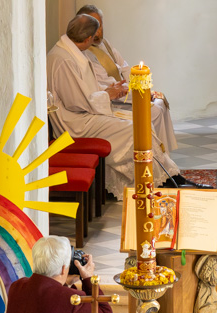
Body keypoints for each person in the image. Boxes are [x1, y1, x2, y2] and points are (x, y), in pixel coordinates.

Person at [47, 14, 196, 198]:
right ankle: (158, 180)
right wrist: (107, 95)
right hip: (75, 123)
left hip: (86, 114)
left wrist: (108, 90)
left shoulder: (71, 52)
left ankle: (166, 177)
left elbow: (83, 90)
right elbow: (76, 102)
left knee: (142, 125)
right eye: (93, 38)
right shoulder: (64, 59)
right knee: (135, 129)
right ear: (87, 39)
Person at [76, 4, 178, 153]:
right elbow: (108, 85)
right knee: (154, 111)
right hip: (114, 101)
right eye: (94, 27)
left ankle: (164, 155)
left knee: (160, 103)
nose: (98, 31)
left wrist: (140, 88)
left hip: (125, 94)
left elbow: (124, 68)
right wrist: (139, 95)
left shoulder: (105, 44)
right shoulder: (85, 53)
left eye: (100, 25)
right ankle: (151, 156)